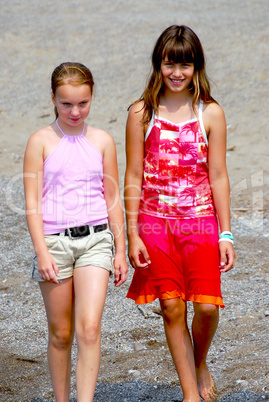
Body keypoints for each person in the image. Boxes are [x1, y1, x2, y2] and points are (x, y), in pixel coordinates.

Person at [124, 25, 235, 402]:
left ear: (196, 67)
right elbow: (133, 175)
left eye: (184, 65)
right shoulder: (142, 112)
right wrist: (132, 233)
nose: (176, 73)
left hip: (201, 223)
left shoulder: (211, 112)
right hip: (155, 224)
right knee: (171, 307)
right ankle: (190, 394)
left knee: (205, 306)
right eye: (170, 63)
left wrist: (226, 233)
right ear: (158, 64)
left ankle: (199, 362)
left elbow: (218, 175)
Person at [24, 62, 128, 402]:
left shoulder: (102, 140)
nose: (75, 111)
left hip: (96, 241)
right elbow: (33, 203)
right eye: (66, 103)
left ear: (91, 97)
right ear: (53, 98)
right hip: (54, 243)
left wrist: (120, 249)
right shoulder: (39, 141)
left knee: (89, 328)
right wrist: (41, 252)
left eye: (82, 103)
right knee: (61, 333)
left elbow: (112, 196)